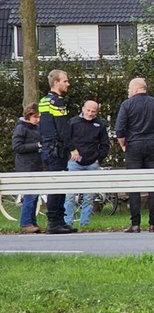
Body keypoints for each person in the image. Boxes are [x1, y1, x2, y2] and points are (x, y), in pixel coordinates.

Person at [113, 77, 154, 233]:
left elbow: (119, 130)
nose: (128, 92)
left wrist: (123, 144)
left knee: (134, 185)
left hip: (133, 146)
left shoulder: (127, 104)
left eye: (129, 89)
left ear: (136, 89)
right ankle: (153, 223)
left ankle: (135, 224)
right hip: (151, 145)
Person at [37, 68, 77, 234]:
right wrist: (72, 148)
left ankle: (58, 220)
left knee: (55, 184)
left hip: (47, 148)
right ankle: (55, 222)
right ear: (56, 83)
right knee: (57, 185)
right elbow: (62, 128)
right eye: (65, 81)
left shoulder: (44, 100)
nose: (68, 84)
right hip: (56, 150)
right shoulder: (57, 102)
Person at [64, 99, 110, 230]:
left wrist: (99, 159)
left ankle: (85, 224)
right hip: (74, 163)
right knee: (70, 195)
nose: (90, 114)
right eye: (88, 110)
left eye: (93, 112)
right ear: (83, 109)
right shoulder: (72, 122)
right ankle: (67, 223)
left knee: (89, 197)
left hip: (92, 164)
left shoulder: (100, 125)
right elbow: (65, 139)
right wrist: (71, 151)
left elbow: (105, 144)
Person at [11, 104, 42, 233]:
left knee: (34, 195)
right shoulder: (21, 128)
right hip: (25, 166)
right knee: (30, 195)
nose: (38, 120)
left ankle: (32, 222)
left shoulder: (35, 128)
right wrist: (36, 145)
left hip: (35, 165)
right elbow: (17, 147)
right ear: (28, 116)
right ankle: (25, 223)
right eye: (35, 117)